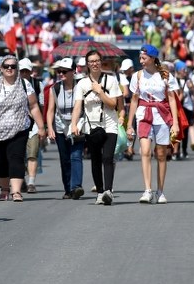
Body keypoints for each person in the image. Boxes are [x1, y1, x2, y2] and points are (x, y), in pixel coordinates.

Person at [0, 55, 46, 203]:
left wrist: (41, 127)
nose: (10, 69)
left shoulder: (24, 84)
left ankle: (16, 191)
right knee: (1, 161)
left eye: (13, 66)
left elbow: (34, 106)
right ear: (1, 69)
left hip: (19, 129)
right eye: (6, 66)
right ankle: (5, 189)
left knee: (16, 158)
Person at [126, 45, 179, 204]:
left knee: (161, 154)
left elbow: (171, 99)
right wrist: (129, 124)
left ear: (152, 58)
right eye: (140, 58)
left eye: (144, 58)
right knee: (145, 151)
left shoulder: (165, 75)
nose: (141, 61)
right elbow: (134, 100)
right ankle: (147, 190)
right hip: (143, 114)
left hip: (162, 115)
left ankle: (160, 191)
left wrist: (175, 123)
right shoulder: (138, 76)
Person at [70, 50, 122, 205]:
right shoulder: (82, 84)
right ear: (87, 64)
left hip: (109, 125)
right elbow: (78, 106)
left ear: (101, 61)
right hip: (91, 126)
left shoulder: (111, 80)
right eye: (91, 61)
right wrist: (73, 124)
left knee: (107, 157)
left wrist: (100, 92)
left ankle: (108, 191)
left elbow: (114, 105)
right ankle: (100, 192)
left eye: (97, 60)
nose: (94, 64)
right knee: (96, 159)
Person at [45, 58, 83, 199]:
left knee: (76, 156)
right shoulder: (55, 88)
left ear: (73, 72)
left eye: (64, 71)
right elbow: (50, 110)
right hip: (61, 127)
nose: (61, 74)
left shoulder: (81, 86)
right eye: (59, 71)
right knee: (64, 159)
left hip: (77, 126)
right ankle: (68, 189)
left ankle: (76, 186)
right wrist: (50, 128)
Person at [18, 58, 45, 194]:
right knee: (18, 155)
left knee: (32, 153)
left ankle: (31, 182)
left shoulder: (37, 84)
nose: (24, 74)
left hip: (33, 124)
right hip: (17, 125)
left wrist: (42, 126)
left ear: (30, 72)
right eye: (21, 71)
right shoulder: (14, 85)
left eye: (26, 71)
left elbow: (40, 106)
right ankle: (20, 179)